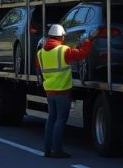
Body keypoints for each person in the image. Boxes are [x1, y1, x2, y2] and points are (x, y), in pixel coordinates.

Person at [36, 24, 91, 158]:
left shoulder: (40, 53)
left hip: (49, 91)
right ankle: (57, 150)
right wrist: (87, 42)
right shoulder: (63, 50)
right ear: (61, 36)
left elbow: (38, 69)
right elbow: (81, 54)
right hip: (62, 91)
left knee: (51, 119)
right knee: (61, 119)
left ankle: (47, 150)